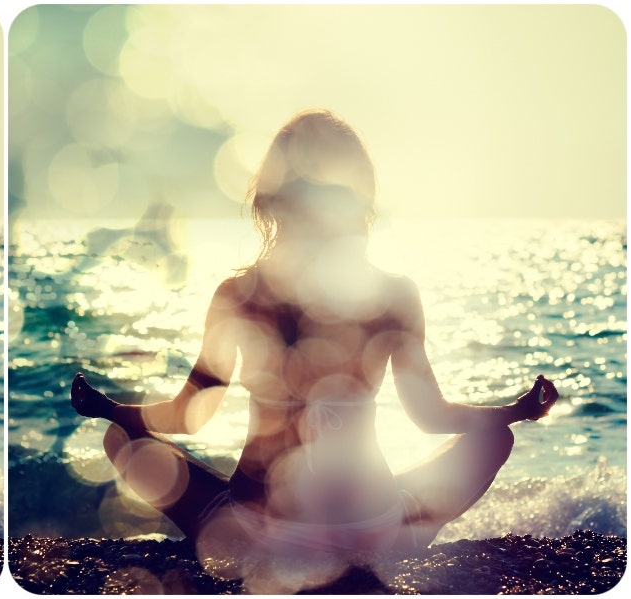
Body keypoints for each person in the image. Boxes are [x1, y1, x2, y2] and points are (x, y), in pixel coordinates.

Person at [70, 109, 559, 562]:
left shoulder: (238, 293)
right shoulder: (395, 293)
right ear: (358, 195)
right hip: (371, 528)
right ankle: (398, 533)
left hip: (259, 532)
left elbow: (189, 417)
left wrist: (111, 409)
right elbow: (428, 416)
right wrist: (517, 410)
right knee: (493, 440)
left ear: (274, 195)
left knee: (125, 441)